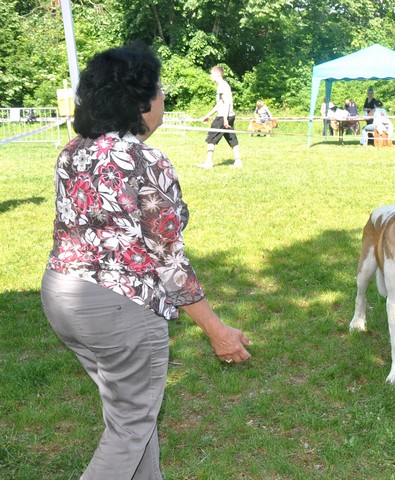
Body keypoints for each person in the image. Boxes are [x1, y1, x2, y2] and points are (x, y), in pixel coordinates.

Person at [39, 43, 252, 480]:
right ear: (139, 101)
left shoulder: (72, 151)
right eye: (158, 90)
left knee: (132, 419)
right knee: (130, 427)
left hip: (62, 295)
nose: (162, 100)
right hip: (119, 308)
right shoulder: (145, 159)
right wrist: (218, 332)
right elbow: (169, 260)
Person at [198, 65, 242, 168]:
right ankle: (238, 161)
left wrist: (225, 119)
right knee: (232, 138)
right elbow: (219, 105)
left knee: (211, 138)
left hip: (223, 117)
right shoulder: (224, 85)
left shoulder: (221, 86)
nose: (210, 76)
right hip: (229, 115)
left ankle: (208, 163)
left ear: (217, 74)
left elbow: (226, 103)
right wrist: (207, 115)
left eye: (211, 74)